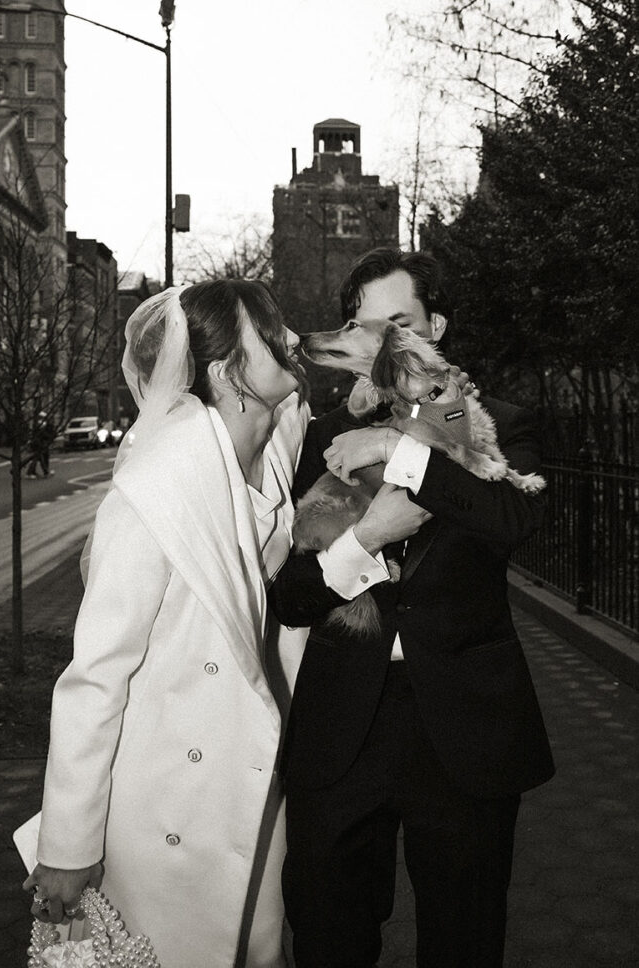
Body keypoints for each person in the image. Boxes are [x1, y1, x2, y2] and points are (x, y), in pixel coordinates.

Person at [270, 247, 555, 968]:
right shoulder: (316, 437)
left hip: (464, 729)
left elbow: (510, 522)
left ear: (437, 325)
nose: (385, 341)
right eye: (366, 326)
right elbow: (291, 599)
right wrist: (364, 536)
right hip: (341, 730)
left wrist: (400, 451)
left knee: (464, 942)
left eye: (401, 321)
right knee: (328, 938)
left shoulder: (501, 423)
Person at [23, 280, 316, 968]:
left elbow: (296, 409)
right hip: (165, 815)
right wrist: (67, 848)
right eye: (272, 336)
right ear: (226, 374)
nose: (294, 341)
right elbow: (96, 678)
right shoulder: (151, 492)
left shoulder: (262, 444)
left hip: (245, 795)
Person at [26, 411, 54, 478]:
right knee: (38, 458)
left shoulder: (37, 423)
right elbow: (42, 434)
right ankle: (33, 472)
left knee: (39, 458)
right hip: (39, 443)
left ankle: (36, 472)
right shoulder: (41, 424)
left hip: (39, 443)